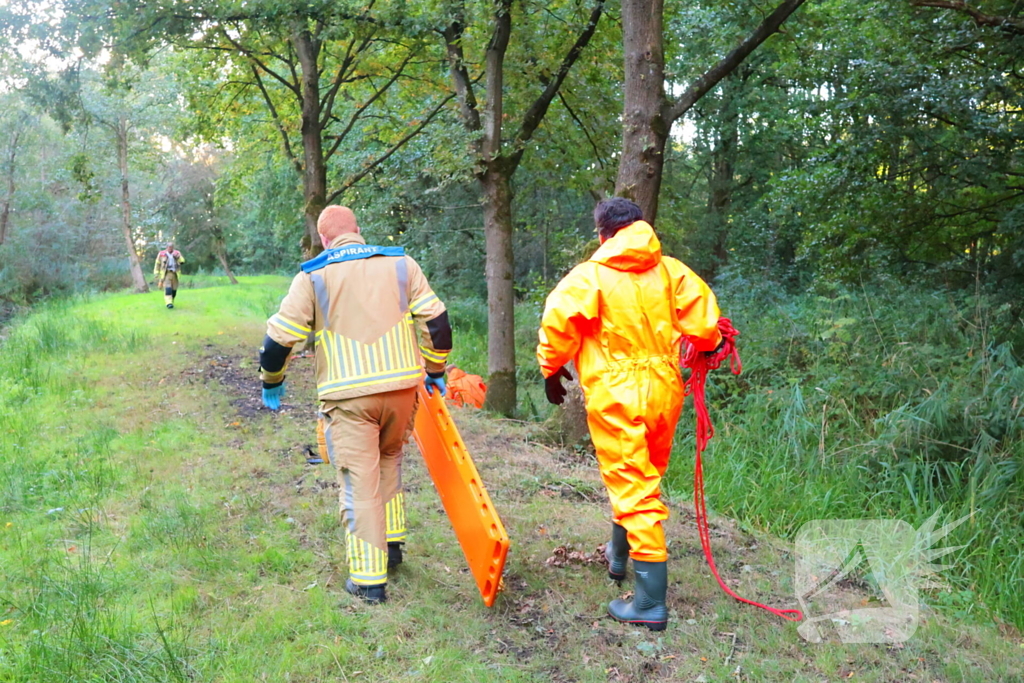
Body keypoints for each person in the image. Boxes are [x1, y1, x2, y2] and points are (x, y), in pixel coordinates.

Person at [536, 197, 723, 631]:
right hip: (664, 389)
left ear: (602, 233)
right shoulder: (672, 271)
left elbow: (558, 326)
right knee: (642, 477)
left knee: (632, 484)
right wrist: (710, 344)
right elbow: (706, 328)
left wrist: (550, 370)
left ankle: (649, 604)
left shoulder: (589, 277)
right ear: (640, 227)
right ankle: (618, 558)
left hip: (616, 393)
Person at [258, 205, 452, 604]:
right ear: (358, 232)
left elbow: (279, 340)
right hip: (402, 390)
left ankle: (368, 581)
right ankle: (393, 545)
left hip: (349, 399)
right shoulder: (401, 263)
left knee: (358, 480)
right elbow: (436, 323)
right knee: (390, 458)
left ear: (325, 240)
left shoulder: (313, 275)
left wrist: (271, 380)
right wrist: (435, 368)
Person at [154, 242, 185, 308]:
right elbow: (157, 263)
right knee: (168, 289)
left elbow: (182, 261)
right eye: (169, 247)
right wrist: (156, 272)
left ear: (173, 247)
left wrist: (178, 257)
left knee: (174, 290)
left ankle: (171, 300)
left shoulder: (177, 253)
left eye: (171, 247)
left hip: (175, 273)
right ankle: (168, 303)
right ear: (166, 247)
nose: (170, 249)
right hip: (166, 273)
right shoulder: (161, 254)